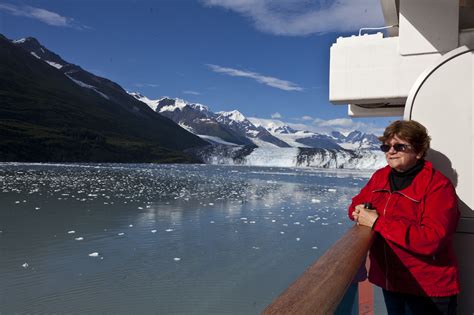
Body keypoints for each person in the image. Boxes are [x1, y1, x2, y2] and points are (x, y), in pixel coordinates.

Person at [349, 120, 460, 315]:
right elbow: (355, 203)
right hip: (391, 282)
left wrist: (376, 222)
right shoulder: (380, 177)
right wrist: (358, 212)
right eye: (386, 146)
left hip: (425, 289)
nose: (390, 151)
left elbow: (432, 239)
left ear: (418, 151)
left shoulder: (438, 186)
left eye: (399, 146)